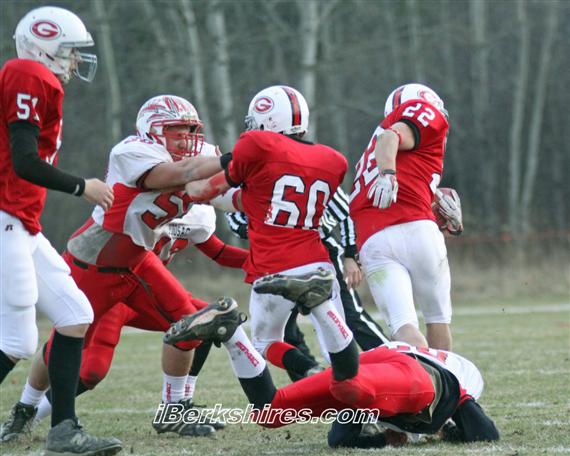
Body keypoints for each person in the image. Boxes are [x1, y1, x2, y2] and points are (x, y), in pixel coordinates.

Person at [178, 85, 368, 401]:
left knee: (264, 343)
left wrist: (183, 182)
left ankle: (307, 368)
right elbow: (258, 197)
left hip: (273, 266)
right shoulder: (332, 159)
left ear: (267, 119)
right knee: (334, 335)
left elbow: (205, 191)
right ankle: (324, 318)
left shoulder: (258, 145)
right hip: (317, 261)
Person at [1, 204, 247, 439]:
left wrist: (262, 261)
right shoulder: (148, 187)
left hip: (145, 288)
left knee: (202, 321)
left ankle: (178, 405)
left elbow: (219, 251)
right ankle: (26, 411)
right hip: (115, 285)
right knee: (90, 369)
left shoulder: (199, 210)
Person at [0, 6, 121, 455]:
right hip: (5, 217)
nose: (74, 61)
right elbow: (24, 161)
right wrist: (81, 186)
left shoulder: (36, 79)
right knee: (18, 340)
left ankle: (64, 431)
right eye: (69, 51)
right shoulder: (27, 73)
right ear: (43, 46)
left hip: (21, 223)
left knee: (74, 314)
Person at [165, 307, 499, 448]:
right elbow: (487, 435)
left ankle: (231, 331)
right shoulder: (462, 386)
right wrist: (445, 430)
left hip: (378, 363)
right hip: (419, 378)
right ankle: (323, 304)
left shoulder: (383, 404)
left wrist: (383, 440)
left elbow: (340, 438)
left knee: (271, 412)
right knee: (349, 386)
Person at [225, 186, 390, 381]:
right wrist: (271, 229)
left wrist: (350, 253)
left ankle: (394, 362)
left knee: (349, 318)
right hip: (275, 259)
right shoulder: (244, 181)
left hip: (318, 251)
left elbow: (344, 210)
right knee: (283, 334)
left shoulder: (312, 170)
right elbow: (235, 221)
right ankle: (311, 381)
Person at [349, 83, 463, 351]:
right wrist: (388, 174)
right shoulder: (419, 112)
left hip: (373, 241)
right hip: (415, 228)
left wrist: (442, 213)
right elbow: (391, 136)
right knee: (437, 320)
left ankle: (423, 376)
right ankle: (444, 378)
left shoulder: (368, 159)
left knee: (404, 328)